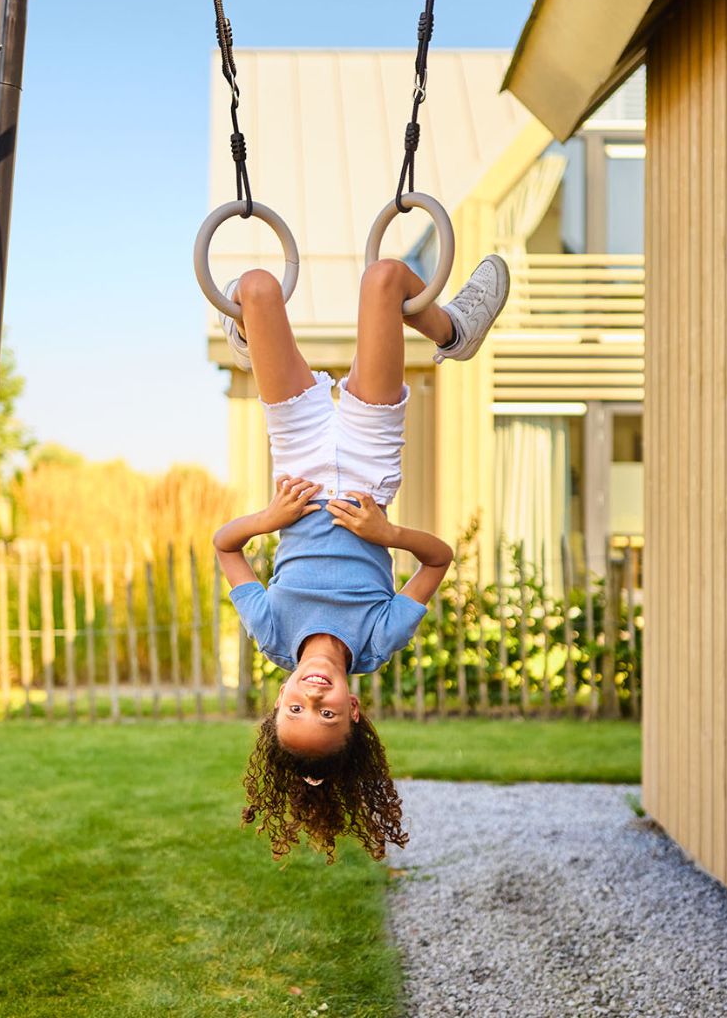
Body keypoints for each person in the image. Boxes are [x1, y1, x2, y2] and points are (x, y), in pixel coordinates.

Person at [212, 254, 510, 862]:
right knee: (386, 277)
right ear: (353, 710)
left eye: (295, 707)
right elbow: (439, 561)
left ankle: (250, 333)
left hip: (298, 463)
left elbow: (225, 545)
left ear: (278, 701)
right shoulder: (378, 639)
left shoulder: (271, 633)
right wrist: (388, 531)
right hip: (368, 471)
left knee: (257, 287)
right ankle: (454, 332)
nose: (312, 696)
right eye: (323, 713)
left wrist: (269, 520)